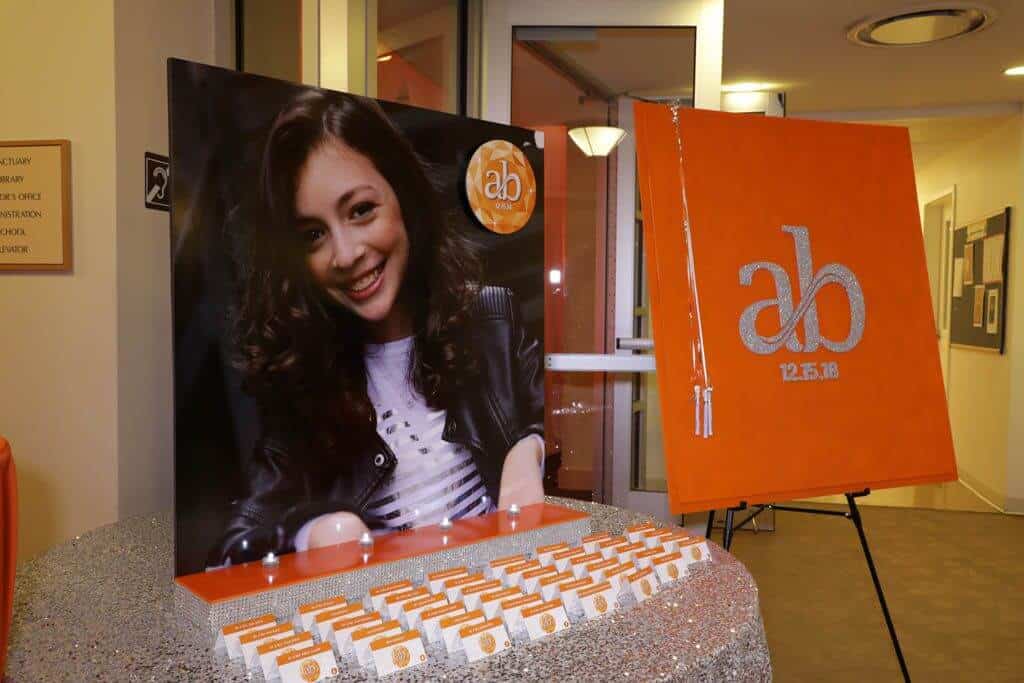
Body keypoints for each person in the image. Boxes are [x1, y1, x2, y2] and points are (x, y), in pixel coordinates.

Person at [210, 90, 544, 566]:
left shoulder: (490, 317)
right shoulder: (299, 381)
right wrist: (312, 533)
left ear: (403, 198)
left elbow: (543, 417)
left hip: (504, 599)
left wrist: (526, 449)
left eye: (361, 210)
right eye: (313, 235)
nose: (345, 255)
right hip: (390, 626)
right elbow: (234, 545)